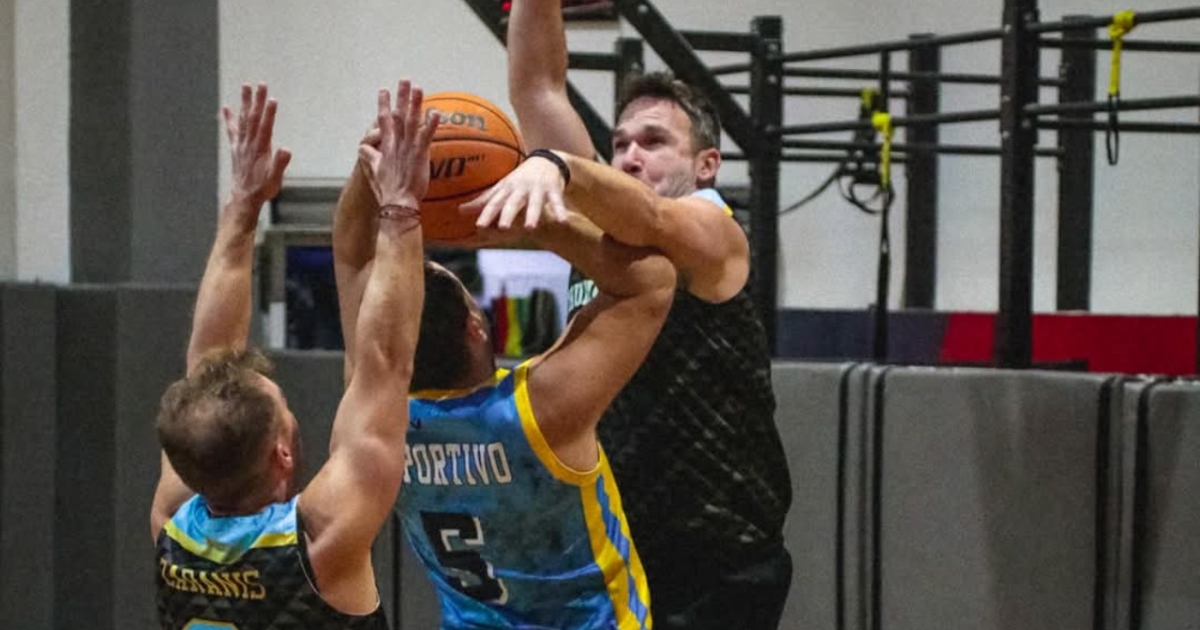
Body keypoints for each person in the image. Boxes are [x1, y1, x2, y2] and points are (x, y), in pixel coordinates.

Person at [504, 2, 795, 627]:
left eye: (654, 142)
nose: (631, 156)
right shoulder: (603, 224)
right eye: (620, 145)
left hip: (715, 560)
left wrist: (558, 165)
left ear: (706, 164)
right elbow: (538, 87)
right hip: (617, 546)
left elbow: (651, 218)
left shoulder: (714, 231)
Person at [333, 119, 677, 630]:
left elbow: (350, 253)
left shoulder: (373, 420)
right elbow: (652, 281)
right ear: (476, 327)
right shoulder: (536, 409)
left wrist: (376, 176)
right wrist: (531, 218)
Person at [151, 80, 436, 629]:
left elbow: (209, 359)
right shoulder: (321, 542)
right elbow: (385, 363)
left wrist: (242, 208)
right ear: (282, 455)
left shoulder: (171, 525)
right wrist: (400, 208)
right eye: (284, 408)